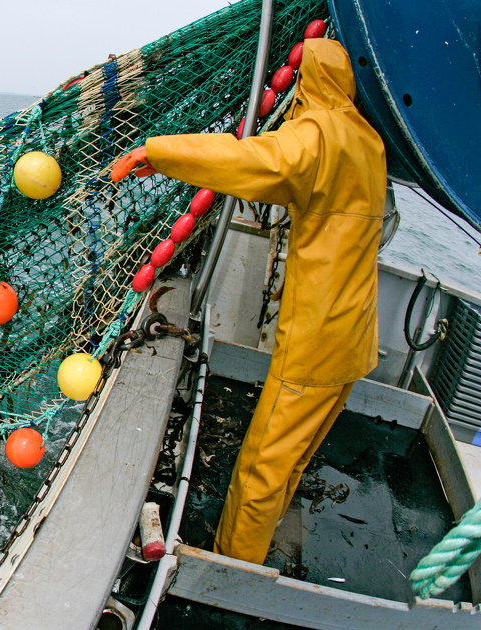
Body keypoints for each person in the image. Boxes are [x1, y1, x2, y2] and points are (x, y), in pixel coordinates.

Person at [111, 38, 386, 564]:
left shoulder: (321, 136)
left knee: (264, 464)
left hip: (316, 340)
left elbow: (254, 162)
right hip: (356, 337)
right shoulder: (368, 142)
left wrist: (160, 151)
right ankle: (257, 543)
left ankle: (233, 569)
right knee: (296, 456)